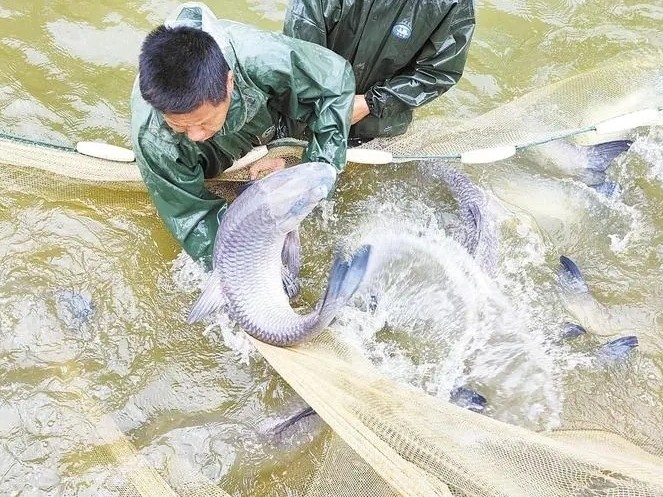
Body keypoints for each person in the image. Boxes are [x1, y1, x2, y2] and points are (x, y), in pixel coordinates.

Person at [131, 2, 355, 266]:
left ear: (229, 82)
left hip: (267, 119)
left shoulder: (263, 59)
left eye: (203, 122)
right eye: (179, 125)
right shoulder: (152, 136)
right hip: (210, 158)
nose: (194, 135)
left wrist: (312, 175)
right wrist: (244, 265)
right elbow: (192, 218)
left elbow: (335, 83)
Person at [284, 0, 476, 143]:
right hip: (311, 118)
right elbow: (299, 57)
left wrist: (371, 102)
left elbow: (439, 72)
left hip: (380, 127)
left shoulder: (453, 4)